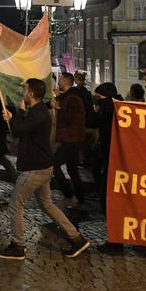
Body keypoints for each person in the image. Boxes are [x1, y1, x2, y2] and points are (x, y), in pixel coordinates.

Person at [0, 78, 91, 260]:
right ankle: (77, 239)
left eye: (25, 90)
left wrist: (17, 114)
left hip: (35, 169)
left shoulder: (38, 114)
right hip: (42, 166)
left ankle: (18, 245)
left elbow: (18, 131)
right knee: (47, 204)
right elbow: (24, 127)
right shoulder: (37, 111)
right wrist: (16, 116)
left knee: (15, 205)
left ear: (31, 93)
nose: (23, 93)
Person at [92, 82, 124, 254]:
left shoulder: (109, 110)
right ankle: (115, 238)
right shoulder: (113, 108)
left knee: (109, 199)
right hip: (111, 159)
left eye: (99, 98)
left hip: (113, 160)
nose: (97, 102)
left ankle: (116, 240)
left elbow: (93, 121)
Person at [53, 72, 87, 206]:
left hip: (72, 139)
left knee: (54, 164)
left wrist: (58, 108)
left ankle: (68, 193)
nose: (59, 82)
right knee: (72, 169)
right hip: (72, 138)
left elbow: (73, 119)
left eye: (60, 79)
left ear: (66, 81)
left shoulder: (73, 98)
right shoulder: (69, 96)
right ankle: (80, 197)